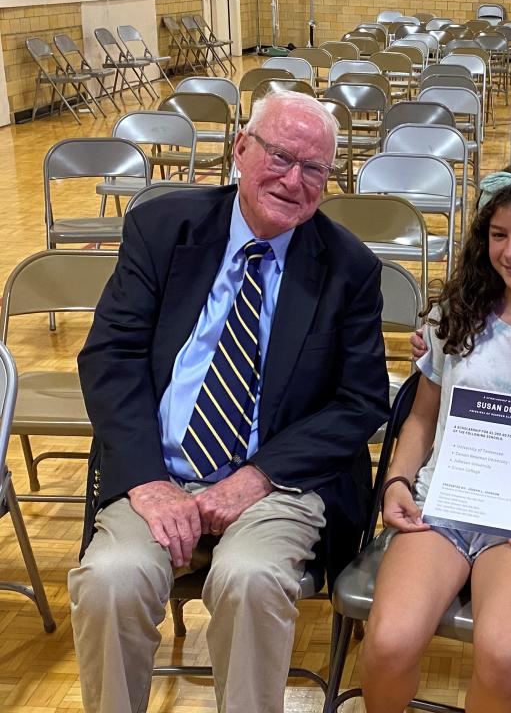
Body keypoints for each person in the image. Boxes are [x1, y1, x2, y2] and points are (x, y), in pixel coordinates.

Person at [68, 90, 390, 713]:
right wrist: (148, 483)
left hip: (276, 485)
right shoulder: (164, 228)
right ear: (241, 149)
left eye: (315, 169)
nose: (294, 180)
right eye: (279, 156)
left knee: (250, 580)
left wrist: (256, 478)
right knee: (110, 580)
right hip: (161, 472)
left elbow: (360, 401)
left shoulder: (349, 268)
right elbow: (110, 358)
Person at [360, 163, 511, 713]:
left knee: (503, 653)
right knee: (389, 640)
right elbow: (421, 420)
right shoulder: (458, 318)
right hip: (441, 507)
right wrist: (397, 481)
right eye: (499, 235)